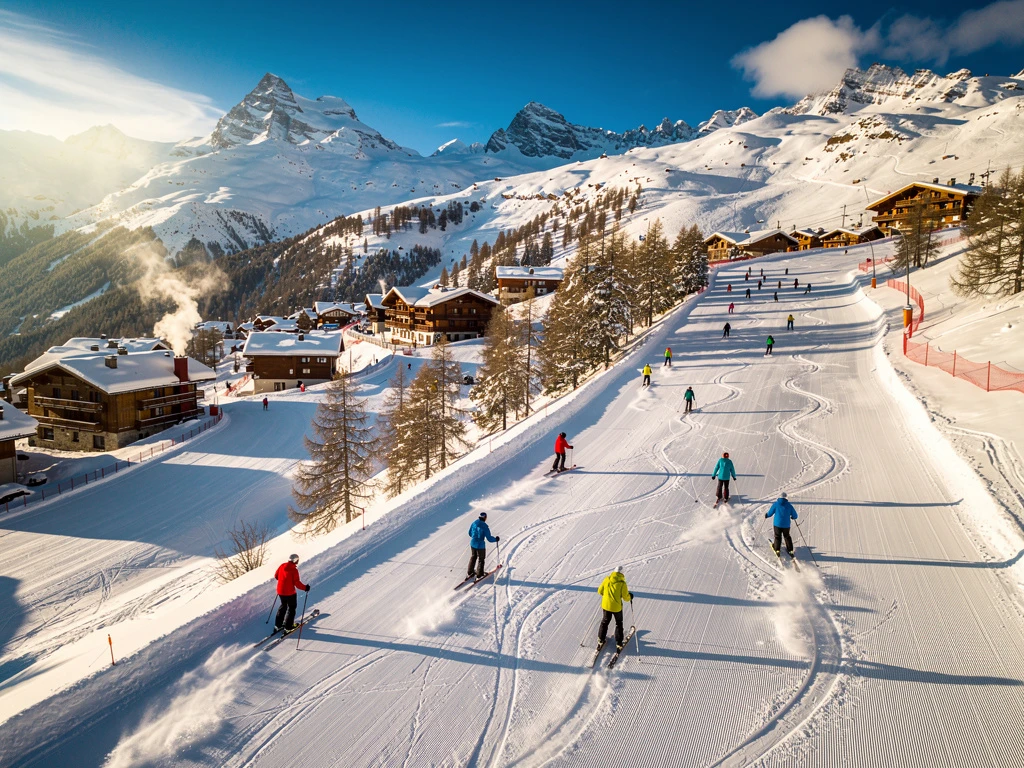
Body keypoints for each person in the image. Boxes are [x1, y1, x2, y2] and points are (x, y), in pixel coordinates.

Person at [597, 566, 633, 650]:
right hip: (616, 608)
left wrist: (606, 596)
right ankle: (619, 643)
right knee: (619, 623)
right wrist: (630, 596)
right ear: (622, 574)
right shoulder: (622, 583)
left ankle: (600, 639)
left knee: (605, 622)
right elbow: (625, 598)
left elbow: (599, 591)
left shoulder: (607, 579)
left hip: (605, 606)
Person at [274, 554, 310, 631]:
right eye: (297, 560)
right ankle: (288, 626)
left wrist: (283, 580)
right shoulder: (294, 570)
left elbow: (276, 576)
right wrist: (305, 588)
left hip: (280, 591)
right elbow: (297, 583)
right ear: (295, 560)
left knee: (283, 606)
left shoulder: (282, 565)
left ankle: (278, 625)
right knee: (291, 608)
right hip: (290, 593)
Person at [766, 492, 798, 557]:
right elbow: (795, 515)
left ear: (779, 497)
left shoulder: (776, 504)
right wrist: (793, 517)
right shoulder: (789, 505)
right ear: (786, 498)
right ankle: (790, 550)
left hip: (777, 524)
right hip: (786, 525)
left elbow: (770, 512)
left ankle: (777, 549)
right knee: (787, 536)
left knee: (777, 536)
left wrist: (767, 515)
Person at [468, 512, 499, 578]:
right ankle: (480, 574)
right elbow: (489, 538)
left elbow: (470, 533)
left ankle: (470, 572)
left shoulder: (474, 523)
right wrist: (495, 539)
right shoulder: (485, 526)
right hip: (480, 545)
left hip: (473, 543)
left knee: (473, 556)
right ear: (485, 518)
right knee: (481, 559)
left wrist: (474, 536)